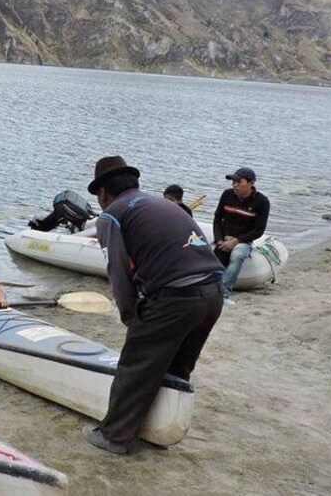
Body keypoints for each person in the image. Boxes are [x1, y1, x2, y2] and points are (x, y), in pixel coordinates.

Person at [83, 156, 224, 455]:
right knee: (176, 366)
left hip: (176, 298)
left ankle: (114, 437)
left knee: (135, 366)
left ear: (104, 193)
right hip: (214, 293)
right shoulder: (163, 204)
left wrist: (130, 317)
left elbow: (118, 273)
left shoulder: (111, 216)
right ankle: (161, 425)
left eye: (98, 196)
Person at [213, 167, 270, 305]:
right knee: (214, 257)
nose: (234, 185)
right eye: (233, 182)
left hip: (243, 241)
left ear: (251, 183)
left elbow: (258, 230)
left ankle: (225, 293)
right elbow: (217, 219)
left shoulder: (262, 202)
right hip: (224, 238)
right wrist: (219, 239)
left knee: (237, 255)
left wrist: (236, 241)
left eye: (239, 182)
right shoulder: (227, 195)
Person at [28, 190, 97, 233]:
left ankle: (40, 227)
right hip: (64, 209)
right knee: (57, 217)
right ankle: (39, 229)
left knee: (58, 216)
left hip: (65, 208)